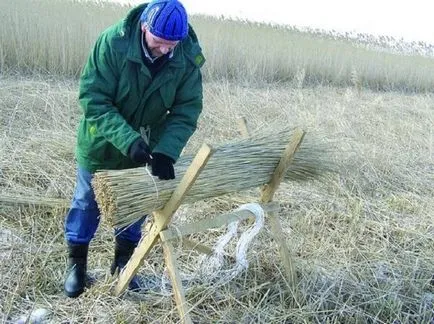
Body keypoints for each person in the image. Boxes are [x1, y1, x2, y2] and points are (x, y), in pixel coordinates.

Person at [63, 0, 205, 298]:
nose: (165, 50)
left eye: (172, 45)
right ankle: (77, 266)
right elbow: (93, 99)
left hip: (146, 148)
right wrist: (127, 140)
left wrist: (166, 151)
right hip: (100, 143)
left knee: (135, 206)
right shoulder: (112, 44)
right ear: (144, 27)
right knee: (86, 203)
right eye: (159, 42)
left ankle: (123, 265)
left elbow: (186, 111)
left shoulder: (187, 59)